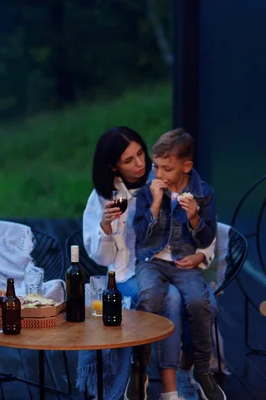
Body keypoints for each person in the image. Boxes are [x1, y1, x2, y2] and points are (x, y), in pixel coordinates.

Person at [79, 127, 214, 400]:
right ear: (113, 165)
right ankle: (160, 382)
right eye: (129, 160)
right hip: (129, 272)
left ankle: (176, 378)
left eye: (141, 154)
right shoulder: (104, 197)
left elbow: (204, 225)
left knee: (189, 298)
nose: (140, 164)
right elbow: (102, 259)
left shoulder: (165, 175)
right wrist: (106, 226)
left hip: (172, 267)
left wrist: (203, 255)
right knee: (172, 299)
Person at [132, 128, 224, 400]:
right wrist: (155, 204)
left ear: (187, 166)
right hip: (152, 261)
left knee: (199, 302)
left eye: (167, 169)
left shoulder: (203, 193)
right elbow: (140, 236)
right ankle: (139, 368)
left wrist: (195, 218)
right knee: (149, 297)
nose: (159, 175)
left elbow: (208, 237)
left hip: (185, 264)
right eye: (156, 167)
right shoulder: (148, 191)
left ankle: (202, 369)